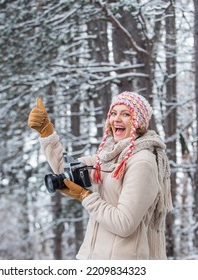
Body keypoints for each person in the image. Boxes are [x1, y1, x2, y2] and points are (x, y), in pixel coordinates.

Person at [28, 91, 172, 260]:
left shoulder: (142, 163)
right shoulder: (110, 156)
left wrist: (84, 196)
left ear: (139, 123)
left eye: (126, 114)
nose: (116, 119)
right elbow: (67, 171)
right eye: (113, 113)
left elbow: (124, 223)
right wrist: (47, 133)